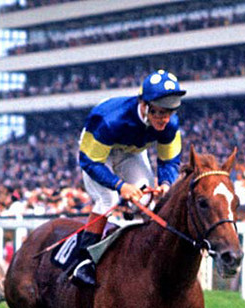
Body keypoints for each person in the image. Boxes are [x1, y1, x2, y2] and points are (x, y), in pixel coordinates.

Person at [68, 69, 186, 286]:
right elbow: (89, 162)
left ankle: (142, 256)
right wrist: (119, 185)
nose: (164, 119)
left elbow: (169, 161)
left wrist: (167, 184)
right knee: (109, 199)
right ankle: (82, 261)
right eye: (158, 112)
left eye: (169, 112)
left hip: (131, 151)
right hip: (97, 153)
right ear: (144, 104)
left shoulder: (170, 125)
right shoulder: (109, 119)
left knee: (148, 200)